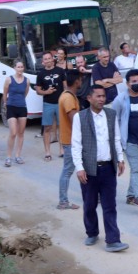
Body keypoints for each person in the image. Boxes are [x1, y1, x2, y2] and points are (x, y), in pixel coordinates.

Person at [71, 84, 129, 252]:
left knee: (110, 205)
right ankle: (92, 232)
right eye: (98, 96)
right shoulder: (80, 117)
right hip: (89, 169)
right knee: (89, 204)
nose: (102, 99)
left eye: (103, 96)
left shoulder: (111, 114)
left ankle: (113, 240)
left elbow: (116, 138)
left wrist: (120, 159)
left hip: (108, 168)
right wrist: (79, 168)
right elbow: (76, 144)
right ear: (89, 98)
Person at [111, 69, 138, 212]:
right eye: (133, 81)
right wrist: (117, 139)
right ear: (127, 84)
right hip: (130, 142)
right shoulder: (120, 99)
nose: (137, 83)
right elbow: (114, 118)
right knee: (135, 170)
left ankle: (130, 195)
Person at [57, 69, 82, 210]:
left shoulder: (69, 96)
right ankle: (63, 201)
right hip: (71, 141)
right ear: (77, 80)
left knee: (76, 168)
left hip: (70, 140)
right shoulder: (68, 98)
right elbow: (75, 120)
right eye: (80, 79)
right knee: (67, 171)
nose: (82, 82)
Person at [35, 52, 65, 160]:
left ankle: (62, 150)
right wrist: (46, 92)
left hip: (60, 103)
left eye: (49, 58)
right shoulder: (41, 74)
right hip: (48, 103)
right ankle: (47, 152)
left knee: (61, 127)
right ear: (43, 62)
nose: (48, 60)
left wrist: (65, 99)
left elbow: (65, 87)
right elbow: (38, 90)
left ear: (52, 59)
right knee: (47, 128)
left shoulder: (60, 71)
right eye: (45, 59)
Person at [3, 60, 29, 166]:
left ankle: (18, 155)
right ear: (14, 68)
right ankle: (8, 157)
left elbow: (25, 92)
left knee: (21, 133)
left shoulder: (26, 80)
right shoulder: (9, 79)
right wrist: (5, 103)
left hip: (22, 107)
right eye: (18, 67)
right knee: (13, 132)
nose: (20, 69)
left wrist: (20, 100)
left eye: (22, 67)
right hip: (11, 107)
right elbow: (5, 92)